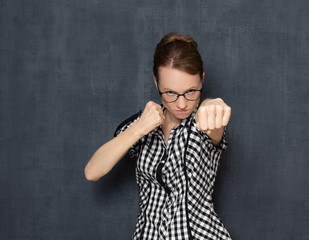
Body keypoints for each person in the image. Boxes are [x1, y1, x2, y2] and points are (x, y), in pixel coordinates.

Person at [84, 32, 232, 240]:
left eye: (191, 91)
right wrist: (139, 129)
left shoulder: (206, 120)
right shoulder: (142, 123)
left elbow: (214, 121)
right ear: (156, 84)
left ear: (202, 80)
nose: (181, 104)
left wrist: (211, 104)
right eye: (170, 92)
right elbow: (92, 172)